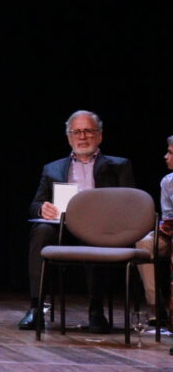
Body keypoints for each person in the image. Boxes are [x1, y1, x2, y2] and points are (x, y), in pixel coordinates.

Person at [18, 110, 134, 333]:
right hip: (62, 227)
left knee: (96, 237)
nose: (82, 136)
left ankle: (96, 311)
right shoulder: (52, 168)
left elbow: (130, 201)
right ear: (69, 137)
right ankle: (36, 307)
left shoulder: (118, 165)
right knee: (40, 231)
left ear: (99, 136)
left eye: (88, 131)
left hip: (100, 228)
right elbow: (34, 204)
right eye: (76, 132)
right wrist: (43, 208)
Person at [133, 135, 173, 322]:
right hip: (170, 234)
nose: (165, 156)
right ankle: (156, 306)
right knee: (144, 243)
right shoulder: (167, 182)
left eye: (170, 153)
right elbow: (168, 217)